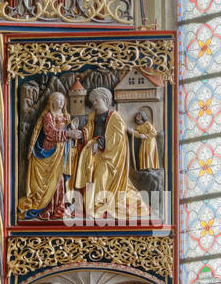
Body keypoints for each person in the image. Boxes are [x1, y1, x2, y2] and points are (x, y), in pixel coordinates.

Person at [72, 87, 147, 220]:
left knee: (100, 176)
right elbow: (89, 129)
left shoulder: (115, 116)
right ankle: (90, 206)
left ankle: (98, 206)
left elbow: (118, 138)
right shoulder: (92, 115)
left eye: (96, 100)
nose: (94, 103)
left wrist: (100, 143)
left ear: (105, 100)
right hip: (93, 152)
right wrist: (81, 134)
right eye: (93, 101)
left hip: (110, 156)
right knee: (86, 171)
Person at [17, 91, 80, 220]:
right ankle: (47, 207)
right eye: (58, 100)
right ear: (51, 102)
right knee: (51, 180)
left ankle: (59, 207)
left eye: (62, 100)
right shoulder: (48, 116)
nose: (61, 103)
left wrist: (72, 131)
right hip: (49, 152)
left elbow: (67, 130)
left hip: (62, 151)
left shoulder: (66, 115)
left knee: (61, 179)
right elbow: (50, 132)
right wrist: (68, 134)